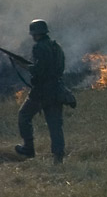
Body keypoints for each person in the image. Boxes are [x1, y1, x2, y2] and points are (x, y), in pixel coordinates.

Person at [14, 20, 67, 164]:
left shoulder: (38, 47)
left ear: (36, 34)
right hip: (56, 89)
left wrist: (23, 65)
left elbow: (38, 70)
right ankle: (58, 158)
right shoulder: (56, 46)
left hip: (41, 92)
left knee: (24, 116)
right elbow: (59, 67)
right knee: (55, 125)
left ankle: (28, 148)